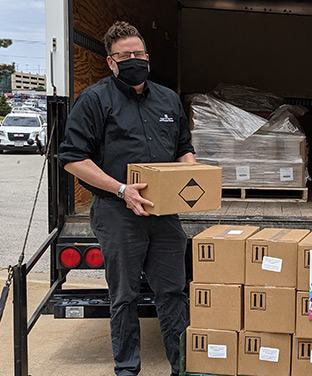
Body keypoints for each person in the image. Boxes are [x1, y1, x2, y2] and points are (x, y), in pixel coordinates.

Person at [59, 21, 195, 376]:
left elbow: (184, 149)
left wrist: (191, 176)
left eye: (138, 54)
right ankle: (127, 368)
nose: (133, 59)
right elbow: (73, 159)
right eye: (124, 56)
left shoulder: (168, 99)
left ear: (147, 57)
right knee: (124, 297)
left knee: (173, 292)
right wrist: (121, 189)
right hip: (117, 211)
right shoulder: (94, 100)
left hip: (164, 214)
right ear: (111, 62)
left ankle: (182, 367)